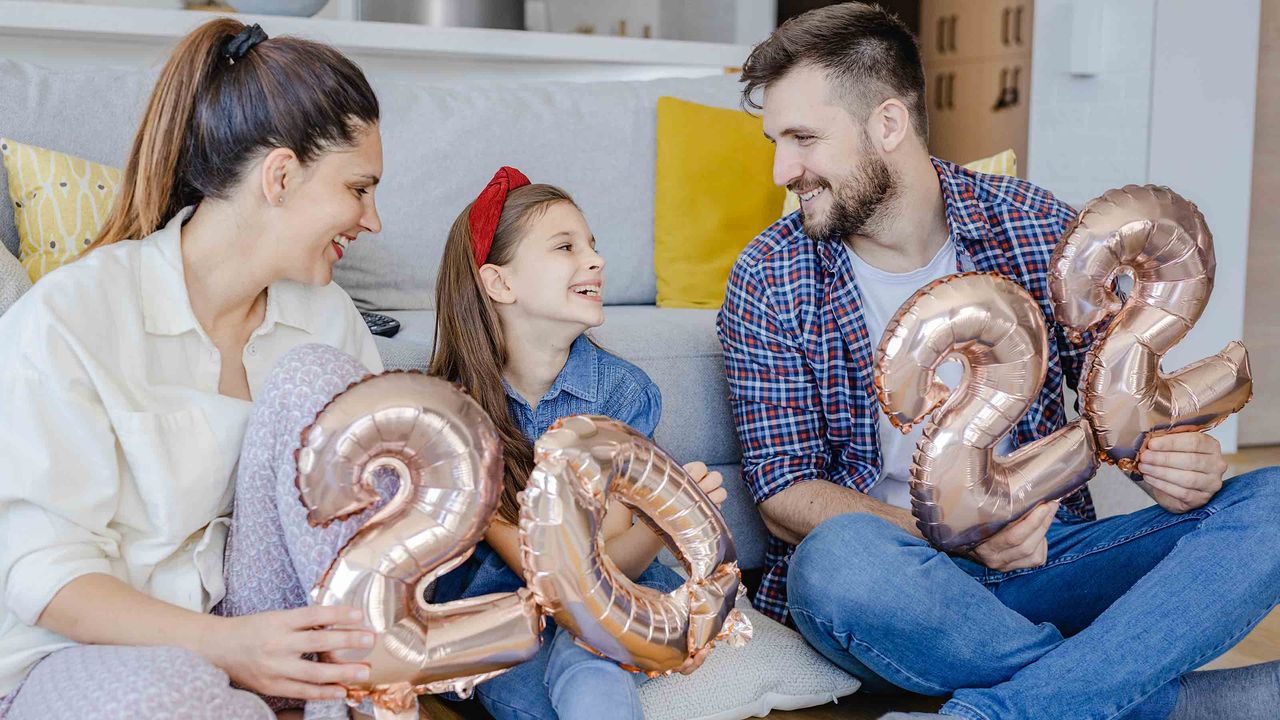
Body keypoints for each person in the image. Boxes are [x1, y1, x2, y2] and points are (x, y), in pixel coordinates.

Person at [716, 4, 1280, 720]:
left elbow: (1118, 391)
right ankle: (1163, 702)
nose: (781, 170)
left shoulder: (1034, 225)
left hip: (1051, 560)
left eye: (802, 139)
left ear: (888, 125)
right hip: (900, 581)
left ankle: (1011, 709)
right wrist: (955, 533)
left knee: (1272, 505)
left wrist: (1175, 458)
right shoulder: (769, 275)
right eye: (776, 141)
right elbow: (784, 490)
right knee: (837, 557)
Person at [0, 19, 385, 720]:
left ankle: (357, 703)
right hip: (79, 655)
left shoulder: (329, 320)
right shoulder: (72, 316)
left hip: (267, 637)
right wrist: (228, 647)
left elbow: (373, 523)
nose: (373, 219)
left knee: (316, 377)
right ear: (280, 175)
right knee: (176, 700)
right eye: (359, 189)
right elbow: (47, 577)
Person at [426, 167, 727, 720]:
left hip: (607, 593)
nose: (596, 259)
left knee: (590, 648)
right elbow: (545, 573)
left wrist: (662, 526)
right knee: (530, 697)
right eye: (566, 247)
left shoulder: (622, 394)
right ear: (499, 283)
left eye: (592, 244)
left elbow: (605, 575)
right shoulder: (455, 412)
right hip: (501, 605)